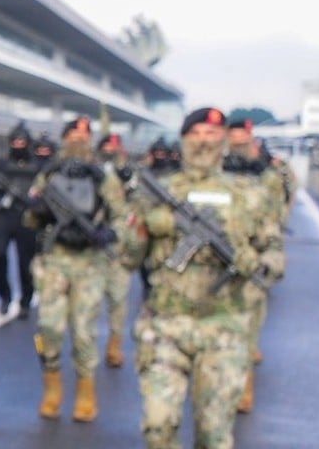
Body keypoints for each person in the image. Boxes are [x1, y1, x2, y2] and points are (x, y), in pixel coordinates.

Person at [121, 107, 284, 449]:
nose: (203, 141)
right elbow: (127, 257)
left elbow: (274, 253)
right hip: (165, 325)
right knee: (157, 428)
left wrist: (254, 261)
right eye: (196, 134)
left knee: (213, 435)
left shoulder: (251, 193)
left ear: (224, 139)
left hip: (224, 326)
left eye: (211, 134)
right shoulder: (157, 191)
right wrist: (147, 225)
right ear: (184, 139)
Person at [24, 116, 125, 423]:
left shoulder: (104, 177)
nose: (79, 139)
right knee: (48, 328)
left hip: (90, 263)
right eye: (74, 134)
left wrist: (109, 233)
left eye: (85, 134)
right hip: (54, 260)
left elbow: (122, 217)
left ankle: (85, 391)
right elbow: (29, 217)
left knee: (84, 331)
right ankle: (51, 385)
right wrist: (37, 211)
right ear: (65, 138)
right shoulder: (50, 174)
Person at [221, 117, 286, 413]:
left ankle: (244, 385)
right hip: (216, 260)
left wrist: (267, 258)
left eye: (242, 143)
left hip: (252, 259)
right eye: (232, 143)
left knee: (248, 325)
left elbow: (276, 217)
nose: (237, 148)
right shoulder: (215, 172)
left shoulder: (267, 176)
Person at [0, 122, 40, 319]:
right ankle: (5, 297)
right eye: (15, 141)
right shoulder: (0, 165)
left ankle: (26, 300)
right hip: (4, 214)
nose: (18, 144)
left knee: (26, 264)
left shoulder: (36, 165)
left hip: (26, 217)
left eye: (22, 141)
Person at [96, 132, 137, 368]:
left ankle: (114, 344)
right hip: (93, 246)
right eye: (107, 146)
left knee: (118, 299)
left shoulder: (130, 173)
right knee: (89, 303)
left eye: (115, 147)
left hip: (119, 246)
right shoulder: (93, 171)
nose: (111, 150)